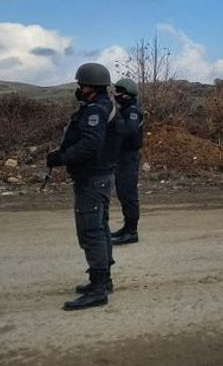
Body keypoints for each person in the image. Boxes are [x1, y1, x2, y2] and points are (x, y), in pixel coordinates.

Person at [46, 62, 120, 311]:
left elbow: (90, 145)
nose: (78, 88)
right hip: (101, 175)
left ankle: (98, 289)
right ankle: (103, 281)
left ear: (91, 86)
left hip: (93, 178)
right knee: (100, 228)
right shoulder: (103, 106)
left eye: (81, 84)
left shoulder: (94, 111)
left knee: (91, 232)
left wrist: (60, 157)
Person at [110, 78, 144, 245]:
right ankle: (127, 227)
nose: (116, 94)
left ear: (128, 93)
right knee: (123, 193)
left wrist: (115, 126)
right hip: (122, 156)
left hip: (128, 157)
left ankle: (131, 231)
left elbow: (129, 131)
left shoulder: (132, 111)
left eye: (120, 91)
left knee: (128, 194)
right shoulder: (125, 109)